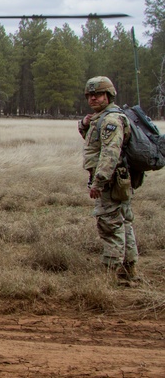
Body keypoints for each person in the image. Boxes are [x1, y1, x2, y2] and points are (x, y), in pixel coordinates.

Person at [78, 76, 140, 285]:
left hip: (112, 182)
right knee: (124, 223)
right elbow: (94, 142)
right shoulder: (101, 118)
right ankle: (128, 271)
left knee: (110, 225)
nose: (93, 98)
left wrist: (99, 182)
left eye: (98, 94)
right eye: (90, 95)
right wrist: (84, 124)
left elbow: (110, 154)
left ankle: (110, 275)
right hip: (118, 181)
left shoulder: (111, 120)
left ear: (109, 95)